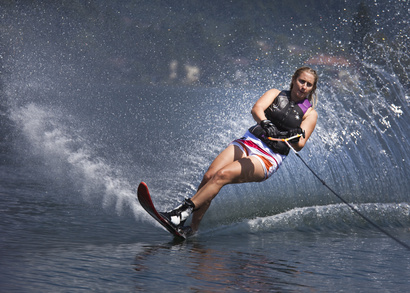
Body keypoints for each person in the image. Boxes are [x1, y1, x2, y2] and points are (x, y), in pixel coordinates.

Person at [161, 66, 319, 236]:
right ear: (294, 80)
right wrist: (265, 123)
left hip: (268, 157)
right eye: (301, 81)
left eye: (309, 84)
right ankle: (191, 227)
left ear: (312, 88)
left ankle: (180, 213)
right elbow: (256, 109)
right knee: (209, 176)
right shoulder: (275, 93)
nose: (303, 87)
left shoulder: (310, 114)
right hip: (249, 142)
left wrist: (292, 136)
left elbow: (300, 144)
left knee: (222, 175)